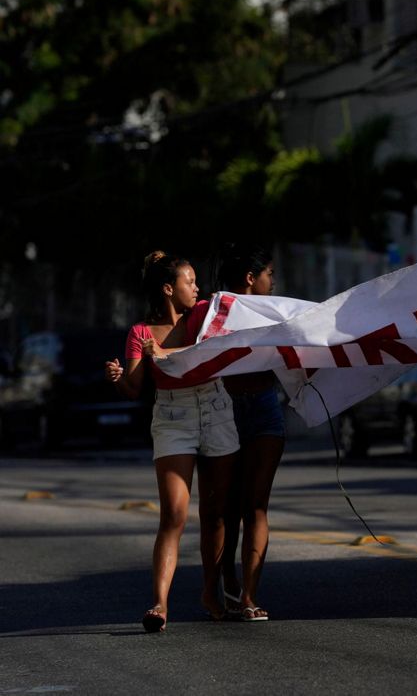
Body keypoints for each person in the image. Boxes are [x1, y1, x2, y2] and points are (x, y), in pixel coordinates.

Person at [105, 251, 240, 632]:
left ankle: (210, 592)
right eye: (190, 281)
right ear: (169, 288)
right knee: (174, 514)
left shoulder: (203, 315)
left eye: (196, 281)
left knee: (216, 512)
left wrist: (165, 354)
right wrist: (118, 378)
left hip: (215, 406)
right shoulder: (140, 333)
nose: (197, 288)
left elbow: (209, 353)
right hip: (172, 417)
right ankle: (160, 604)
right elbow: (134, 388)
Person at [215, 244, 285, 624]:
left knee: (256, 504)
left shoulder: (276, 313)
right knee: (228, 508)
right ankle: (226, 581)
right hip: (224, 410)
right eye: (268, 274)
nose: (272, 282)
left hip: (264, 407)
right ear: (249, 278)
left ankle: (249, 595)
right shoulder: (214, 311)